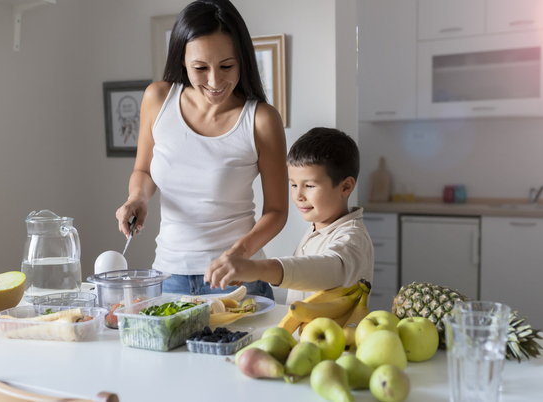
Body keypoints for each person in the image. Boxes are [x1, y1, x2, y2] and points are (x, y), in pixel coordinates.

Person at [115, 0, 288, 300]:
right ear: (182, 60)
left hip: (238, 279)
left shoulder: (260, 119)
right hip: (167, 277)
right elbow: (143, 171)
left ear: (243, 60)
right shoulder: (157, 99)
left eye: (226, 66)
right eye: (200, 68)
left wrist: (238, 253)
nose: (214, 81)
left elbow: (277, 210)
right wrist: (137, 198)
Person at [204, 127, 374, 304]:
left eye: (309, 186)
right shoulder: (319, 226)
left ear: (346, 187)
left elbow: (328, 269)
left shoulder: (353, 238)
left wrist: (257, 268)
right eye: (293, 185)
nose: (298, 195)